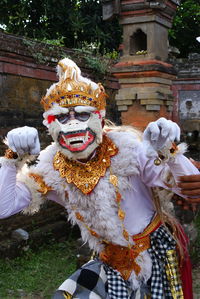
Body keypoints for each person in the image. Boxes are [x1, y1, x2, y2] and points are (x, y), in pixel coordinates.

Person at [0, 58, 199, 299]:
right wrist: (12, 157)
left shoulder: (128, 149)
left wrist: (169, 151)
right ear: (49, 124)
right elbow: (4, 206)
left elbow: (189, 190)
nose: (73, 123)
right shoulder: (50, 167)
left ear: (100, 118)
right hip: (109, 264)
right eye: (62, 117)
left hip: (155, 257)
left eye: (83, 115)